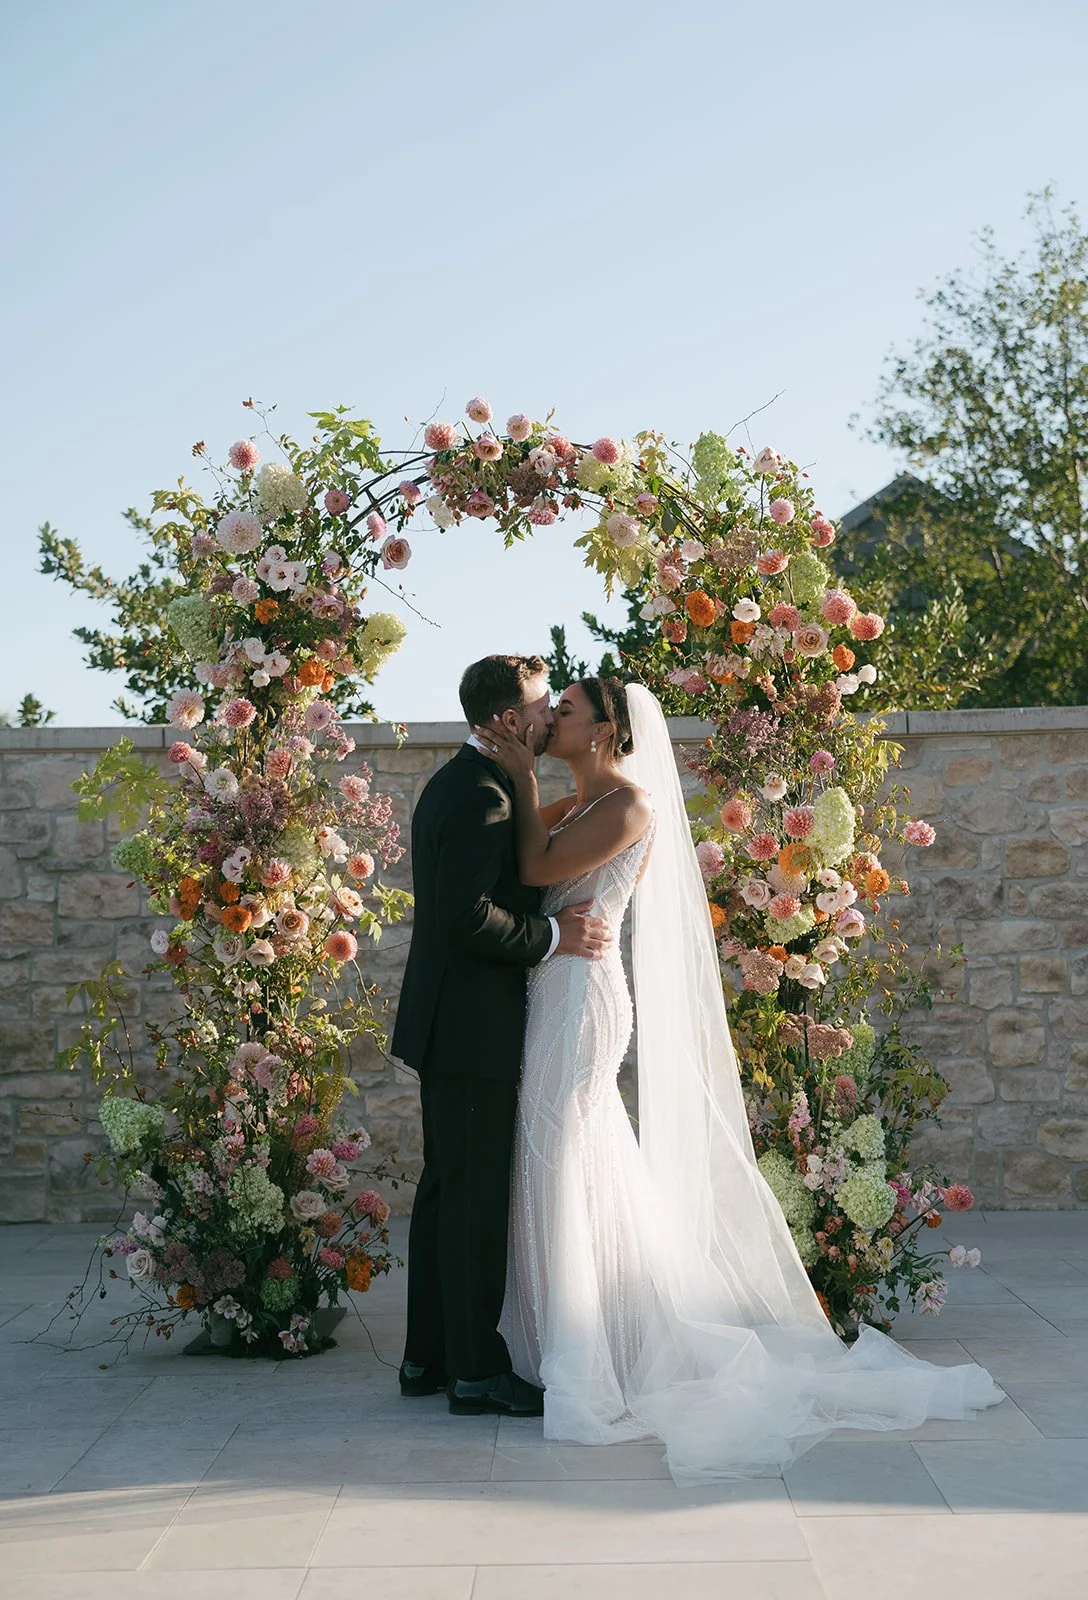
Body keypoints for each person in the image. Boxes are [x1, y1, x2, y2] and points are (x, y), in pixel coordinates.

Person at [475, 677, 1004, 1483]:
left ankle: (588, 1354)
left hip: (583, 998)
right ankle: (574, 1337)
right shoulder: (576, 803)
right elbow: (522, 864)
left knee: (562, 1150)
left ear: (608, 727)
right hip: (551, 991)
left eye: (568, 711)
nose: (551, 720)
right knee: (561, 1156)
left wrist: (519, 771)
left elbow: (536, 862)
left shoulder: (628, 806)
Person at [390, 654, 612, 1417]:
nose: (551, 716)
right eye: (544, 705)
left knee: (448, 1193)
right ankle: (478, 1372)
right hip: (471, 1025)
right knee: (474, 1200)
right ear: (511, 720)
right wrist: (553, 938)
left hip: (448, 1021)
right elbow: (467, 917)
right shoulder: (481, 795)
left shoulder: (467, 780)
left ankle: (427, 1357)